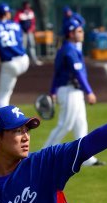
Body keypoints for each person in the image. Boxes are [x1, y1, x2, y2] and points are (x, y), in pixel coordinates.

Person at [42, 18, 103, 167]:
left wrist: (53, 91)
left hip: (73, 91)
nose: (82, 33)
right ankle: (42, 157)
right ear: (70, 33)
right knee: (65, 125)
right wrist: (89, 92)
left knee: (81, 125)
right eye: (79, 31)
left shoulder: (67, 48)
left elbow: (57, 73)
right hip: (69, 92)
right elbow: (78, 74)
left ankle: (86, 158)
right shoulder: (69, 50)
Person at [0, 2, 30, 107]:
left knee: (3, 95)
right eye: (9, 12)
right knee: (9, 84)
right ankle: (6, 86)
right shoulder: (16, 25)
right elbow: (19, 42)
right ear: (6, 13)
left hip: (10, 64)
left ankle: (4, 115)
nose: (10, 14)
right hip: (24, 60)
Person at [14, 1, 42, 66]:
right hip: (23, 32)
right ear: (23, 6)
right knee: (23, 46)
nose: (27, 7)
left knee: (32, 45)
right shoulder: (19, 13)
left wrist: (32, 29)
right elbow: (16, 22)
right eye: (26, 6)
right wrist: (20, 30)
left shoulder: (31, 12)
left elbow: (33, 22)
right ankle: (22, 61)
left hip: (30, 32)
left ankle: (34, 60)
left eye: (28, 6)